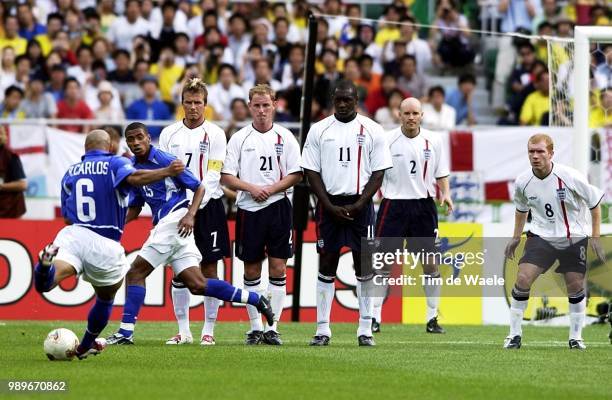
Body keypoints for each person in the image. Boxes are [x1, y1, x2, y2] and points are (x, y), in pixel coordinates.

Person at [106, 123, 273, 345]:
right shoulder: (134, 168)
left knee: (135, 273)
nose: (135, 143)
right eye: (131, 140)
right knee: (198, 285)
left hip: (173, 221)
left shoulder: (165, 160)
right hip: (171, 228)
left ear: (148, 137)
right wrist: (114, 223)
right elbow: (135, 208)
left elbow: (199, 187)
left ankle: (125, 333)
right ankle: (256, 298)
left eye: (139, 137)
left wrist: (190, 215)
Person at [32, 129, 184, 359]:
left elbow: (66, 217)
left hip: (73, 234)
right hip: (105, 242)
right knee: (105, 298)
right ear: (110, 146)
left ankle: (44, 265)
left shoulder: (70, 172)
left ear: (86, 149)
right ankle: (83, 347)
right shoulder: (115, 163)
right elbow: (134, 179)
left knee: (46, 284)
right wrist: (166, 171)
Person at [301, 80, 393, 346]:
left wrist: (361, 203)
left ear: (356, 100)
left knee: (363, 266)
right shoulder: (319, 130)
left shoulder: (373, 129)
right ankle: (322, 329)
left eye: (348, 100)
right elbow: (311, 170)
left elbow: (379, 172)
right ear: (333, 99)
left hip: (360, 206)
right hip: (328, 205)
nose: (342, 104)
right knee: (327, 263)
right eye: (339, 99)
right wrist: (328, 205)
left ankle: (365, 329)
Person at [504, 134, 605, 350]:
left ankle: (576, 338)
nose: (535, 156)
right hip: (541, 236)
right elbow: (521, 210)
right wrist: (515, 237)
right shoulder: (523, 181)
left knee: (575, 284)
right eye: (531, 151)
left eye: (540, 151)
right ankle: (513, 335)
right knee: (522, 278)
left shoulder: (570, 176)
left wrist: (595, 236)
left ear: (551, 153)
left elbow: (595, 203)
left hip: (573, 237)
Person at [221, 84, 302, 345]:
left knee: (278, 267)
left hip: (278, 207)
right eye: (256, 106)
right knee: (251, 268)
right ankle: (255, 326)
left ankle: (273, 327)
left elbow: (296, 173)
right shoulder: (239, 138)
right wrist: (251, 188)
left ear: (275, 105)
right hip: (249, 209)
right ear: (249, 107)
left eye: (266, 105)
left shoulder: (286, 137)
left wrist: (271, 189)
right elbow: (227, 176)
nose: (261, 111)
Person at [158, 78, 232, 346]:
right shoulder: (169, 134)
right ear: (181, 104)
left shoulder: (215, 134)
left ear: (205, 105)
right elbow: (165, 173)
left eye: (197, 102)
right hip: (178, 207)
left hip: (208, 206)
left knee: (209, 268)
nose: (193, 107)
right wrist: (180, 207)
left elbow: (213, 174)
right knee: (179, 270)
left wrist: (194, 207)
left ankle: (208, 330)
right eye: (188, 102)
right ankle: (183, 330)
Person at [373, 98, 453, 334]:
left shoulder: (434, 140)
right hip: (393, 206)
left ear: (422, 115)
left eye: (415, 113)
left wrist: (446, 194)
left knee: (430, 264)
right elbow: (375, 173)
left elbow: (441, 173)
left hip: (423, 207)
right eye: (406, 113)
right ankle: (375, 317)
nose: (411, 117)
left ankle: (432, 319)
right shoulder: (386, 140)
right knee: (383, 264)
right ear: (399, 115)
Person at [0, 125, 27, 218]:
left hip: (11, 210)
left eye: (1, 134)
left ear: (6, 137)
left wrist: (1, 187)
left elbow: (22, 185)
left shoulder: (11, 156)